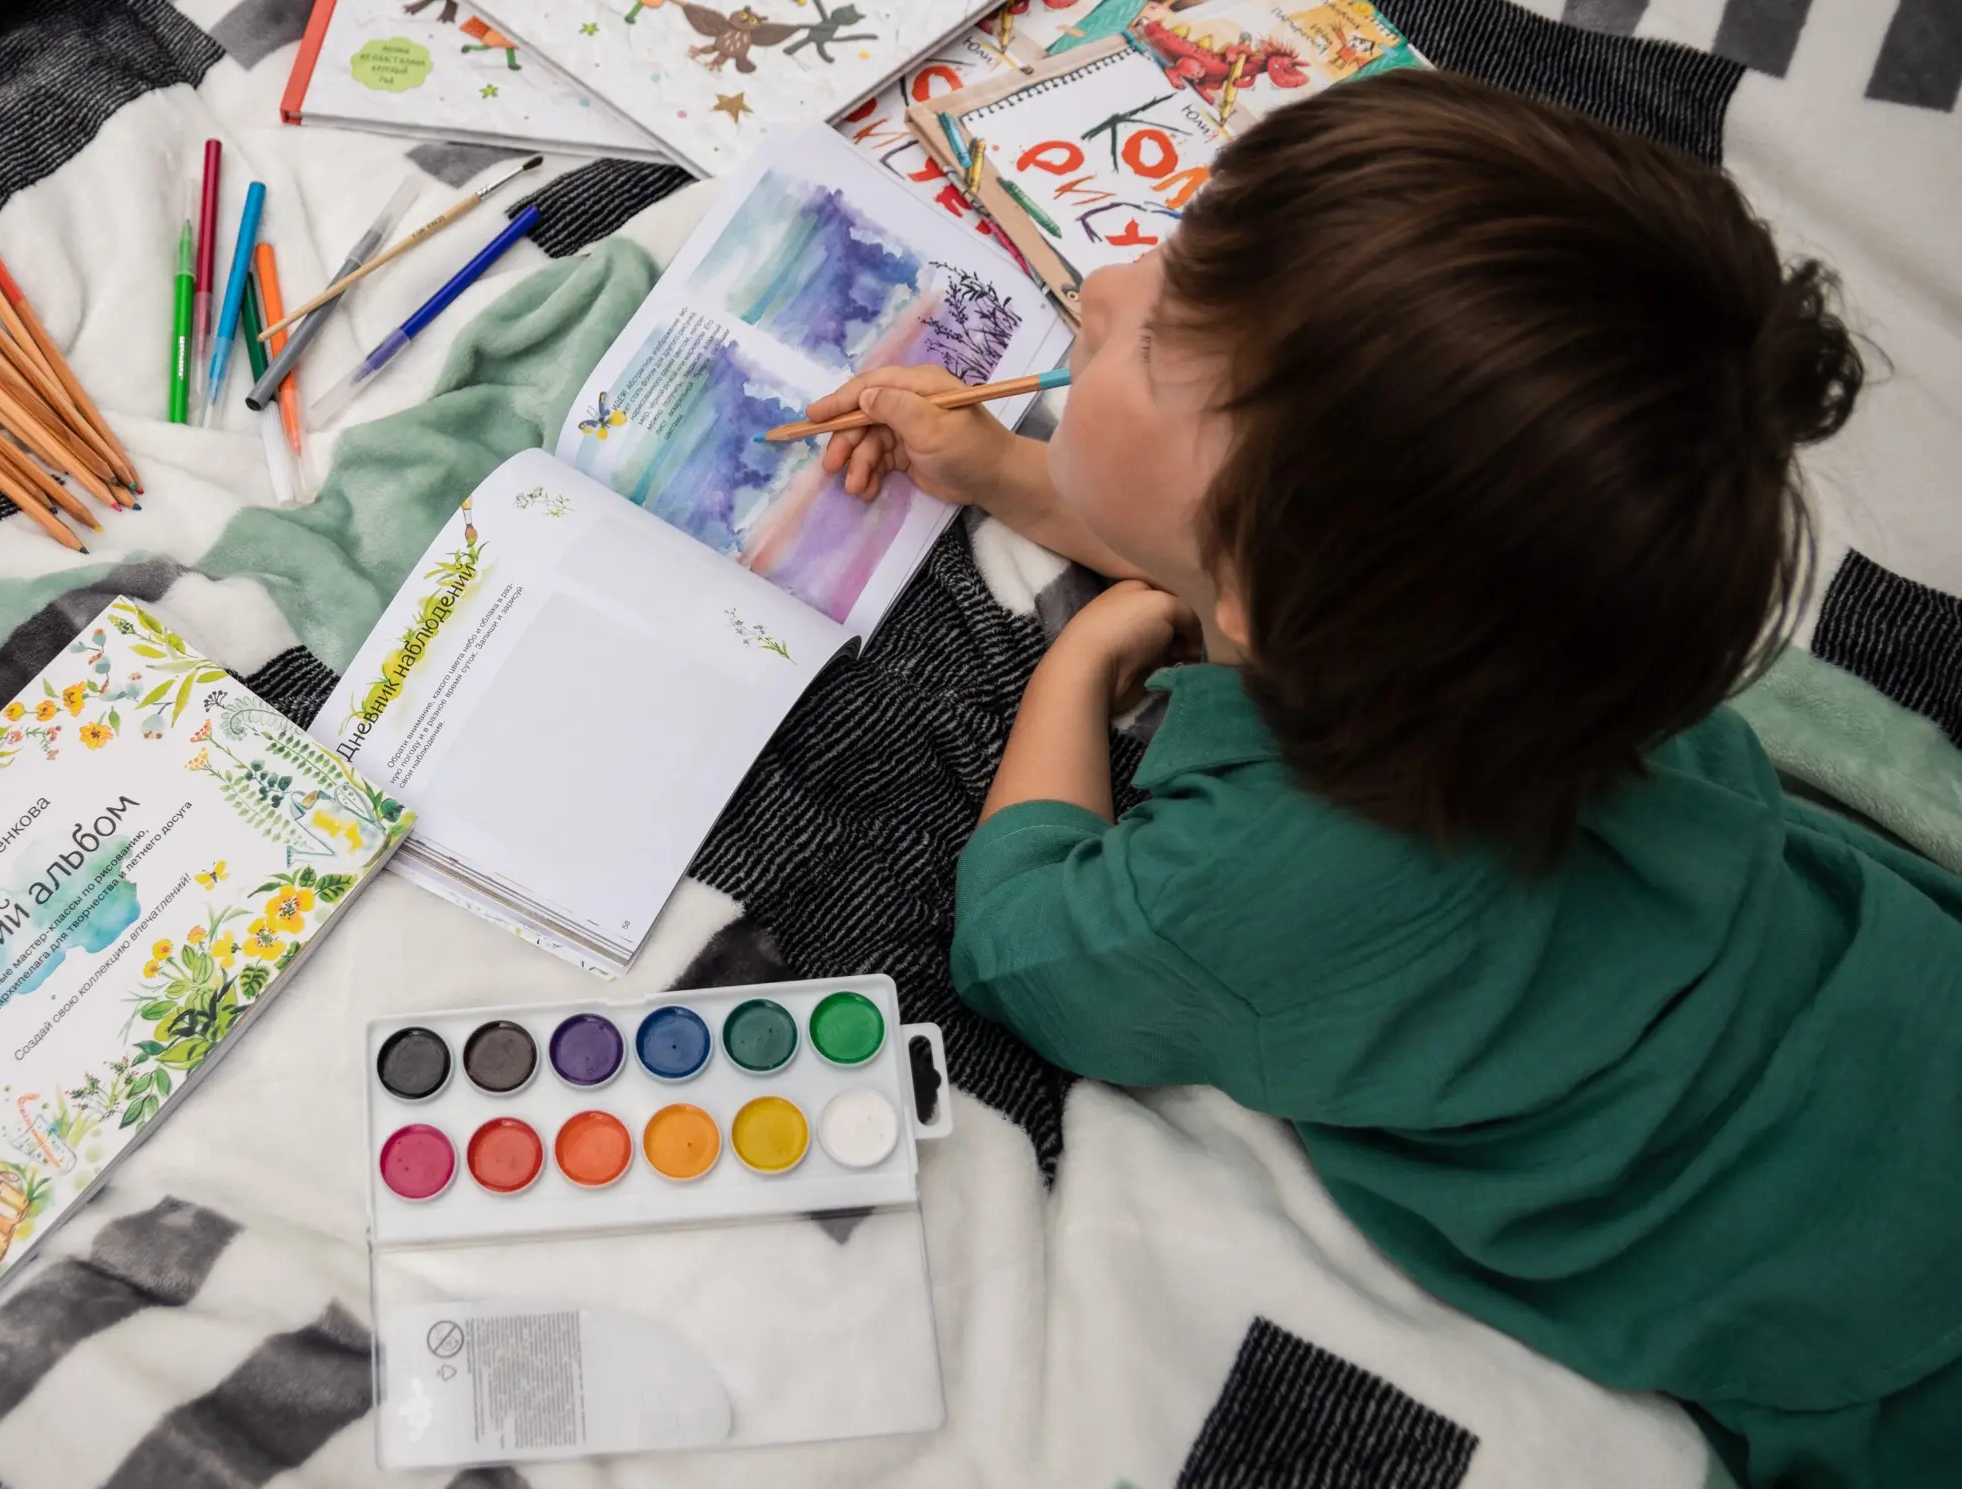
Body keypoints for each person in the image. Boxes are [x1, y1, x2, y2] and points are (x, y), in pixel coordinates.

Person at [803, 68, 1962, 1487]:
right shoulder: (1576, 627)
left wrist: (1081, 661)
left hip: (1878, 1356)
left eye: (1156, 338)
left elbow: (1020, 943)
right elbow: (1241, 572)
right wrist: (1005, 475)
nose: (1103, 283)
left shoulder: (1242, 890)